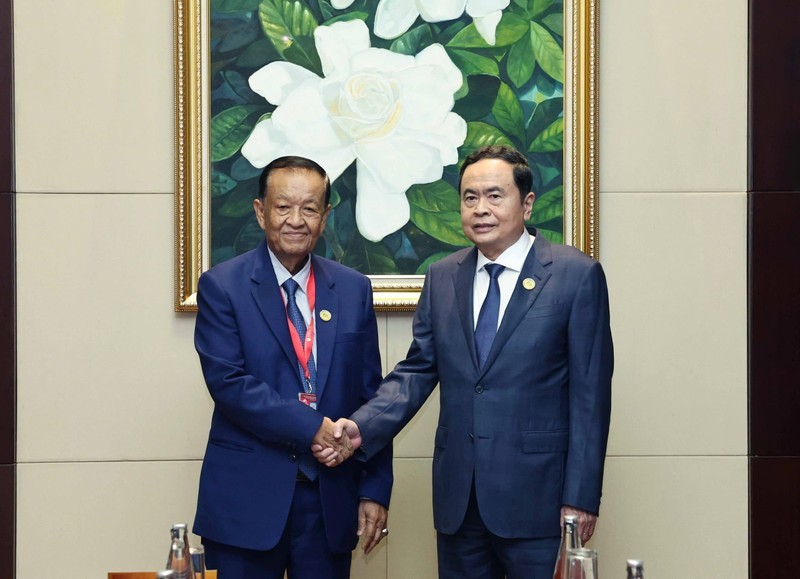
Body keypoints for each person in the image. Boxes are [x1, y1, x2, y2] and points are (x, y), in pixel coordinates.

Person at [315, 145, 613, 578]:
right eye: (470, 198)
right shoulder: (443, 276)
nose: (481, 209)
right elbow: (416, 371)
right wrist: (360, 426)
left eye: (495, 196)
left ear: (526, 203)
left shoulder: (575, 275)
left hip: (541, 502)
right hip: (460, 502)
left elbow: (590, 396)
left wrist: (581, 498)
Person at [193, 156, 393, 579]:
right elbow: (229, 384)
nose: (296, 220)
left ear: (325, 216)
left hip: (330, 501)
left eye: (310, 208)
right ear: (261, 210)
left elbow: (371, 398)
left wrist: (375, 488)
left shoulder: (353, 289)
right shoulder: (222, 286)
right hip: (247, 500)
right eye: (283, 207)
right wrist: (312, 426)